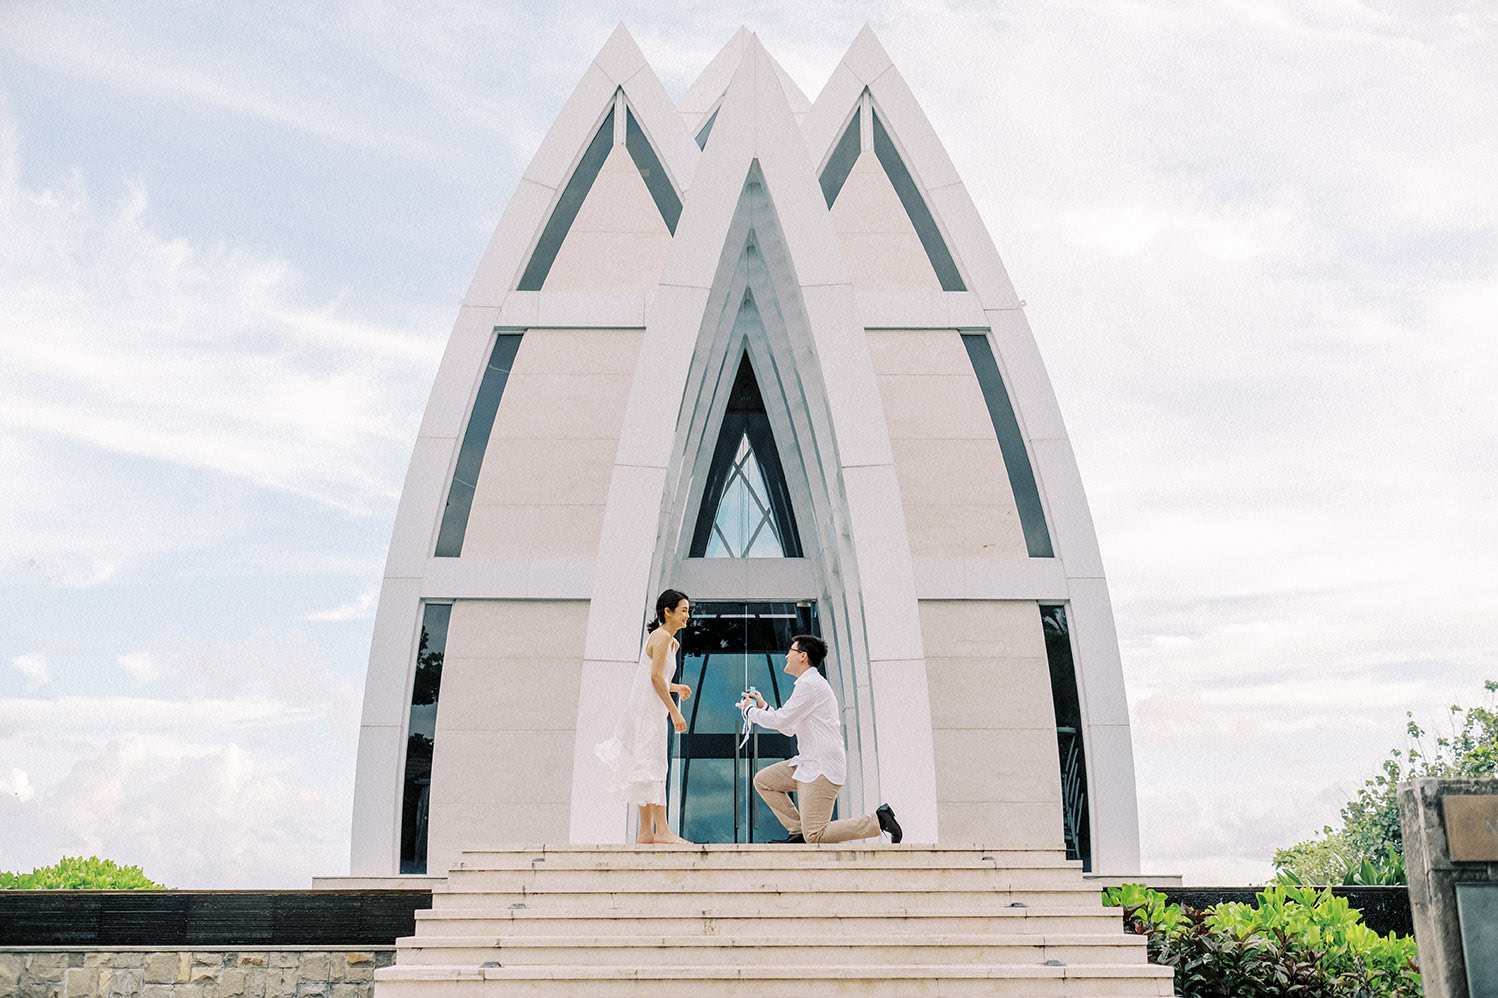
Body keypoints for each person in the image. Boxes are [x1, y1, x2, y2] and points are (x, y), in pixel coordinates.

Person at [738, 634, 903, 845]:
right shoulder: (807, 685)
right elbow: (788, 727)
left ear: (803, 656)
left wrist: (750, 710)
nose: (787, 655)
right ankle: (798, 831)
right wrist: (763, 707)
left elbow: (782, 720)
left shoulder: (811, 686)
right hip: (808, 764)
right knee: (764, 781)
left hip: (822, 768)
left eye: (791, 650)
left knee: (816, 835)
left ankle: (879, 821)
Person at [595, 589, 695, 844]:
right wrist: (675, 712)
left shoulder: (670, 641)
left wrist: (676, 687)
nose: (688, 615)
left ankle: (646, 832)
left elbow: (657, 678)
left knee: (646, 766)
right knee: (653, 766)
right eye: (683, 610)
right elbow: (654, 678)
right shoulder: (661, 637)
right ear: (668, 612)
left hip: (648, 711)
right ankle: (660, 830)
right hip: (648, 714)